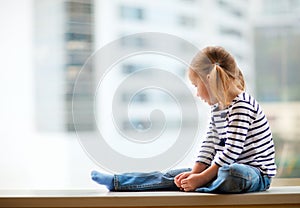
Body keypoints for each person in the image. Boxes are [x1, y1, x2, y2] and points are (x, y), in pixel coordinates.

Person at [91, 46, 276, 193]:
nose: (197, 93)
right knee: (174, 175)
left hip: (255, 175)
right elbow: (209, 145)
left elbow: (232, 151)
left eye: (197, 85)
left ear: (210, 80)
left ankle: (200, 186)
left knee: (231, 173)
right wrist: (195, 173)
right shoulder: (217, 108)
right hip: (219, 169)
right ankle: (119, 182)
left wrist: (202, 177)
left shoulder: (242, 105)